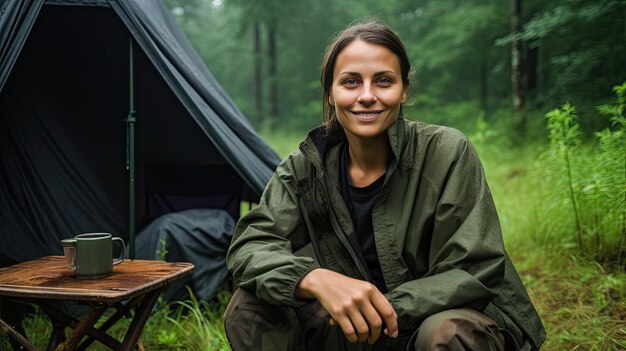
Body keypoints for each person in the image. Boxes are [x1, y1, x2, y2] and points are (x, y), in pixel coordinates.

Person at [224, 19, 546, 351]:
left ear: (404, 89)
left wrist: (382, 307)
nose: (367, 96)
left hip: (432, 325)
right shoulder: (304, 168)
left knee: (448, 333)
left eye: (383, 81)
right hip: (348, 332)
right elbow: (251, 245)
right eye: (350, 82)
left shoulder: (446, 152)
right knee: (248, 306)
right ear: (331, 94)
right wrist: (312, 279)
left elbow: (475, 268)